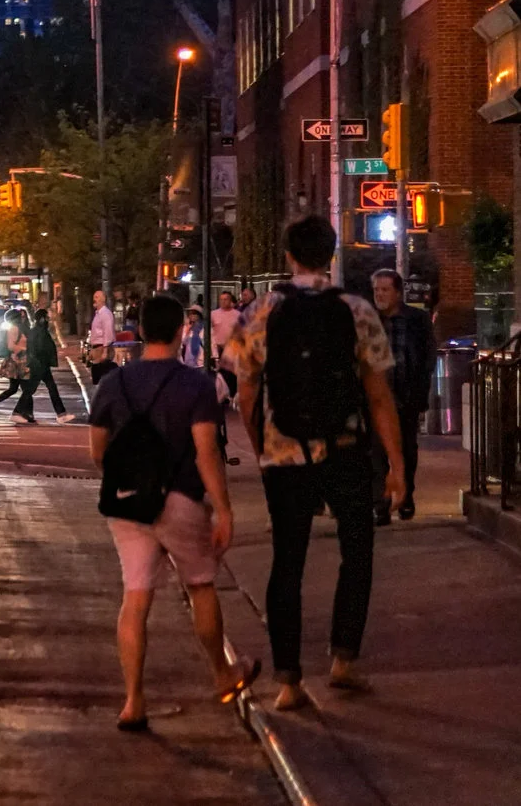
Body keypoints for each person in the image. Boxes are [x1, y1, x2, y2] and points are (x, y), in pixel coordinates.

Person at [234, 217, 405, 709]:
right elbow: (378, 394)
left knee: (288, 561)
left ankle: (288, 681)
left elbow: (246, 391)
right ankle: (343, 658)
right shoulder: (356, 310)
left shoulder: (263, 311)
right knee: (358, 552)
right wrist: (396, 464)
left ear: (289, 256)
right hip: (345, 447)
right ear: (331, 254)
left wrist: (262, 445)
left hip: (284, 453)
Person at [88, 293, 259, 732]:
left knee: (135, 598)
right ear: (183, 329)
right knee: (201, 587)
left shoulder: (113, 385)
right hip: (181, 499)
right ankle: (222, 674)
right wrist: (223, 510)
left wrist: (127, 476)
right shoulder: (195, 386)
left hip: (128, 502)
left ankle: (133, 700)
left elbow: (96, 452)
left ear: (141, 331)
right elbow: (206, 453)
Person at [367, 269, 433, 526]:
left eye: (384, 290)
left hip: (406, 395)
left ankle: (406, 496)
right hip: (376, 397)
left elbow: (426, 357)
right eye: (376, 290)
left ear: (397, 292)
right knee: (376, 451)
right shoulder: (369, 320)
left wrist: (421, 393)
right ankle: (381, 504)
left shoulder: (417, 319)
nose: (380, 295)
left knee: (406, 448)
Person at [20, 301, 68, 420]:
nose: (48, 320)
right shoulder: (39, 331)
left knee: (48, 388)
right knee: (31, 389)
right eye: (46, 318)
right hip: (39, 364)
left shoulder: (39, 330)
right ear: (41, 319)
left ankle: (61, 414)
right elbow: (40, 348)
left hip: (41, 364)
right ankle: (18, 412)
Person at [0, 310, 32, 421]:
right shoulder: (14, 329)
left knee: (16, 389)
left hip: (20, 361)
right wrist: (25, 349)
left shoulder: (19, 328)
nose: (22, 318)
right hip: (18, 363)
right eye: (19, 317)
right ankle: (19, 413)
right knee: (26, 389)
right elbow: (11, 346)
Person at [86, 288, 120, 381]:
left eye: (96, 297)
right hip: (97, 348)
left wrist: (105, 351)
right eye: (94, 297)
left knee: (101, 376)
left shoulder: (106, 314)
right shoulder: (98, 314)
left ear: (103, 299)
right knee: (97, 375)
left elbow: (108, 332)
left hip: (102, 348)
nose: (94, 299)